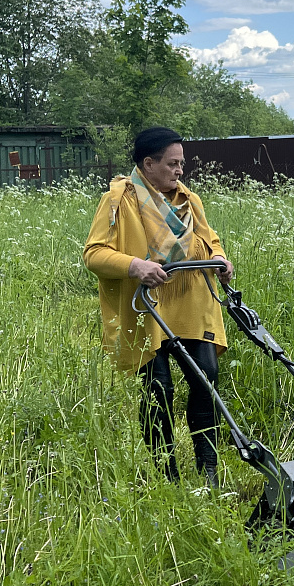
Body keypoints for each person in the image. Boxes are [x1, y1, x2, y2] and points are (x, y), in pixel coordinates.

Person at [83, 127, 234, 486]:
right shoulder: (119, 200)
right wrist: (136, 266)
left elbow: (210, 239)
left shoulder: (189, 200)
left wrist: (219, 257)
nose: (180, 170)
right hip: (147, 309)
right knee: (158, 389)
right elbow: (94, 254)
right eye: (172, 164)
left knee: (206, 380)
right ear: (148, 164)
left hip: (193, 303)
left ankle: (207, 470)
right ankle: (167, 475)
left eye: (182, 163)